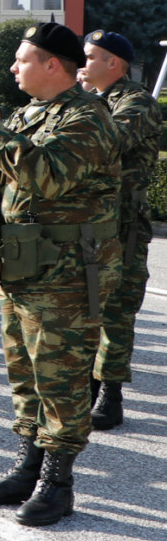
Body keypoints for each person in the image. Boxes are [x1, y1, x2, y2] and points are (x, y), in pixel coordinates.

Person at [0, 22, 121, 526]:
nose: (13, 68)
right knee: (25, 375)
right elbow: (4, 188)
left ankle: (58, 481)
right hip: (23, 265)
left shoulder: (89, 117)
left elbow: (46, 176)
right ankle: (27, 467)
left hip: (68, 274)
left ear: (54, 64)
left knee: (61, 379)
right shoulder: (30, 113)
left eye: (22, 59)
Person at [79, 30, 159, 430]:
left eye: (91, 57)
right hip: (90, 222)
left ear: (115, 64)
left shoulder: (136, 102)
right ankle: (88, 387)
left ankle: (110, 394)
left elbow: (109, 141)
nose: (82, 64)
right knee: (87, 305)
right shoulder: (92, 102)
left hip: (123, 225)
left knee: (116, 310)